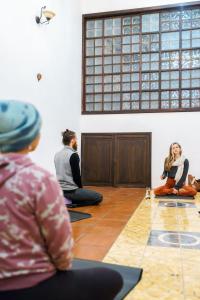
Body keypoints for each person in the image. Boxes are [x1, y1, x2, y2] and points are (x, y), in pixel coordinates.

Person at [0, 100, 123, 300]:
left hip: (60, 188)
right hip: (32, 286)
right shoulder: (39, 180)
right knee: (111, 278)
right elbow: (61, 250)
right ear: (33, 139)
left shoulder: (56, 156)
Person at [54, 129, 103, 207]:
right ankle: (71, 203)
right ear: (72, 140)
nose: (77, 141)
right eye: (76, 139)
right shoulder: (73, 155)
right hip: (71, 190)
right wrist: (80, 189)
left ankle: (66, 199)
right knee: (98, 197)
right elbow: (76, 176)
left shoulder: (57, 154)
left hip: (59, 189)